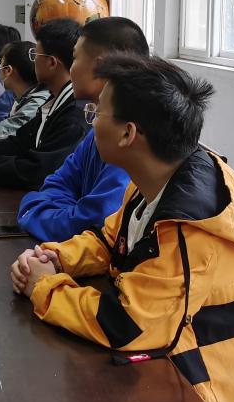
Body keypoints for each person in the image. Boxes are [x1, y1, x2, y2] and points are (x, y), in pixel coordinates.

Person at [10, 55, 234, 402]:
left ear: (128, 134)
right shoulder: (161, 176)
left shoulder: (189, 227)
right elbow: (112, 238)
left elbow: (128, 327)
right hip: (178, 377)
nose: (91, 122)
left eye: (97, 113)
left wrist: (45, 287)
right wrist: (56, 257)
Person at [16, 17, 149, 242]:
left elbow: (91, 225)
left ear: (99, 67)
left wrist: (35, 208)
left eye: (75, 58)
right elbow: (56, 183)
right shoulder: (98, 130)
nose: (71, 68)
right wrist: (65, 213)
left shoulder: (131, 141)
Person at [0, 19, 86, 189]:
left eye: (36, 56)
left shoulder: (74, 113)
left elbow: (37, 171)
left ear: (51, 63)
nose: (32, 62)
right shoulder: (55, 101)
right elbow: (20, 141)